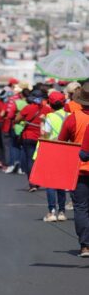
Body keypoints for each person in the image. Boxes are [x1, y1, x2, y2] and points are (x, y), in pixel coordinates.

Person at [59, 82, 89, 257]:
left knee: (81, 208)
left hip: (80, 170)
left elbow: (61, 142)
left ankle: (85, 245)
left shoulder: (73, 118)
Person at [40, 91, 69, 222]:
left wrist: (41, 124)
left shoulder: (49, 117)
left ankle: (52, 211)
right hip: (66, 151)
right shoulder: (69, 116)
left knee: (50, 182)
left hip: (52, 151)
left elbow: (45, 135)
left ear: (50, 103)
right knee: (62, 182)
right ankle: (62, 211)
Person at [15, 89, 52, 192]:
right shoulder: (47, 109)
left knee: (30, 160)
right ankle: (39, 181)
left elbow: (17, 119)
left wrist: (25, 120)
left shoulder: (28, 108)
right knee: (39, 161)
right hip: (42, 138)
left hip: (29, 137)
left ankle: (32, 183)